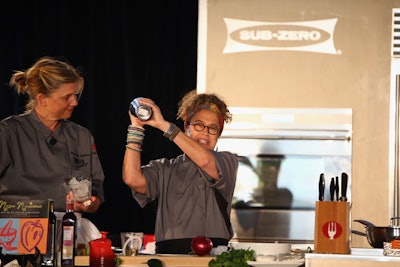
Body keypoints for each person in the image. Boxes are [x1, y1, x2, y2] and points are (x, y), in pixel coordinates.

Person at [122, 90, 238, 254]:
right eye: (199, 125)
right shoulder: (165, 168)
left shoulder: (227, 161)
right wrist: (136, 128)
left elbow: (205, 161)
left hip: (213, 258)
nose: (205, 132)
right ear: (186, 125)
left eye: (213, 128)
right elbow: (132, 179)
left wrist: (163, 124)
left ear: (219, 134)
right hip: (169, 257)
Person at [0, 56, 105, 213]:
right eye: (66, 97)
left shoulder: (81, 137)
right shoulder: (8, 133)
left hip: (69, 229)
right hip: (16, 230)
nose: (75, 102)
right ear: (42, 99)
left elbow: (96, 195)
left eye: (75, 95)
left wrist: (89, 203)